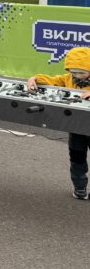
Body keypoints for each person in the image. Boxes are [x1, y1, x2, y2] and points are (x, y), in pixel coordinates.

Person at [26, 47, 90, 199]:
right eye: (74, 72)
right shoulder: (68, 79)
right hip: (76, 127)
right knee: (77, 158)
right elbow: (52, 80)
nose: (77, 76)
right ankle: (80, 187)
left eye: (82, 72)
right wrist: (34, 78)